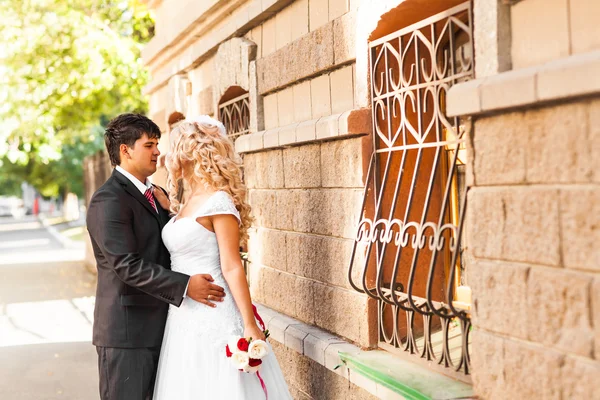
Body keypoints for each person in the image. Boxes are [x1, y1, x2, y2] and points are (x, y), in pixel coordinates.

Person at [86, 113, 226, 400]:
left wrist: (173, 212)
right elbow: (126, 265)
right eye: (149, 145)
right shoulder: (109, 199)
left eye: (157, 144)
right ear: (125, 150)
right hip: (128, 335)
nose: (158, 152)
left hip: (167, 327)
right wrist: (186, 286)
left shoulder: (155, 194)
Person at [152, 116, 292, 399]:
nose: (166, 156)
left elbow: (231, 266)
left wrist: (250, 323)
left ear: (191, 152)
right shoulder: (186, 201)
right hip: (184, 315)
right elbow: (192, 240)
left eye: (174, 146)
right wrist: (170, 213)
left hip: (215, 311)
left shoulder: (219, 202)